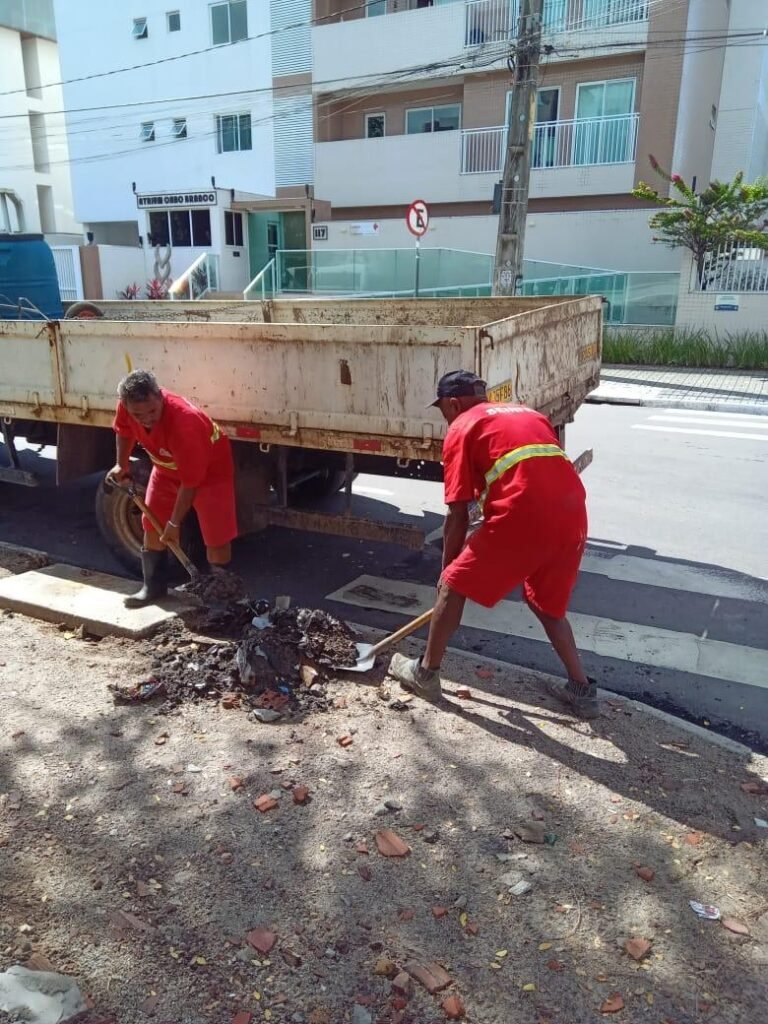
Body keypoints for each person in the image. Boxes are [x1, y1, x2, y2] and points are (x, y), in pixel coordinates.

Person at [388, 370, 598, 719]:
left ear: (453, 403)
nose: (444, 417)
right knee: (547, 605)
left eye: (442, 409)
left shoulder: (462, 426)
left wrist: (447, 571)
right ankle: (582, 690)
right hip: (573, 513)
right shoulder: (528, 413)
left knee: (453, 586)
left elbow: (456, 514)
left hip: (523, 514)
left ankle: (425, 674)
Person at [107, 369, 237, 608]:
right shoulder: (126, 409)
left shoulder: (185, 423)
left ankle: (223, 596)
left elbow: (191, 483)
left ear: (160, 397)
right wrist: (121, 465)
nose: (147, 419)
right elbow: (124, 431)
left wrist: (175, 524)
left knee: (216, 534)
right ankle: (153, 588)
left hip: (210, 473)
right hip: (166, 468)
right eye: (138, 414)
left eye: (152, 411)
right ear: (126, 405)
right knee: (152, 522)